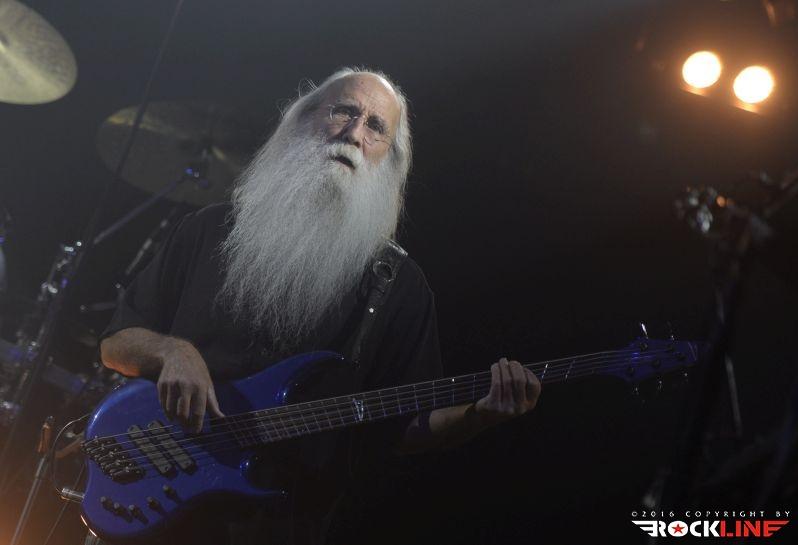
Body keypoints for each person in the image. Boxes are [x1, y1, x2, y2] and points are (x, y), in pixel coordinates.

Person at [96, 67, 541, 545]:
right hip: (156, 502)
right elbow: (115, 345)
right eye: (344, 111)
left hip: (276, 526)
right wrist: (171, 351)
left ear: (389, 160)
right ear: (303, 120)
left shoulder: (400, 288)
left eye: (376, 127)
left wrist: (480, 415)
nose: (354, 133)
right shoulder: (208, 229)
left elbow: (407, 427)